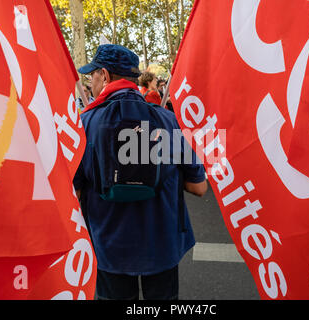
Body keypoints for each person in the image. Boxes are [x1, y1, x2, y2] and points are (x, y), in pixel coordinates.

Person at [73, 44, 208, 300]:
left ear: (104, 74)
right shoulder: (166, 119)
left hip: (109, 246)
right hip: (162, 243)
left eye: (92, 76)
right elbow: (198, 187)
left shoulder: (85, 123)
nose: (91, 83)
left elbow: (75, 192)